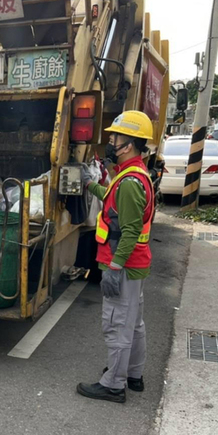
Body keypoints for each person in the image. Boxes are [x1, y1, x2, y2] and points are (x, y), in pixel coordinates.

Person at [77, 110, 155, 404]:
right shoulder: (131, 175)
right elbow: (112, 197)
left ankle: (113, 384)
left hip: (124, 265)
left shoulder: (130, 183)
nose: (111, 140)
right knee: (133, 322)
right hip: (135, 265)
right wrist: (88, 184)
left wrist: (114, 266)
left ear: (130, 143)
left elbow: (131, 228)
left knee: (118, 324)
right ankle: (133, 374)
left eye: (116, 137)